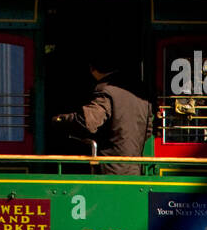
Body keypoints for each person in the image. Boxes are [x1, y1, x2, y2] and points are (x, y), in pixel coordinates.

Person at [52, 45, 151, 174]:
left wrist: (60, 120)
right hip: (135, 169)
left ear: (92, 69)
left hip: (110, 171)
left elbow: (88, 122)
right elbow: (148, 131)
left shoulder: (106, 90)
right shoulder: (140, 91)